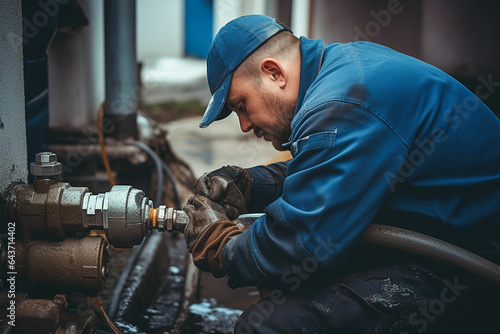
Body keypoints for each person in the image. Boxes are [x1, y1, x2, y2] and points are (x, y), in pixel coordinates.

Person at [182, 14, 500, 333]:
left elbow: (298, 247)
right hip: (448, 237)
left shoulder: (342, 102)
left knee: (265, 325)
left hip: (472, 268)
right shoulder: (342, 70)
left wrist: (223, 247)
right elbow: (328, 173)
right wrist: (250, 185)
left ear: (273, 72)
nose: (245, 125)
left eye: (241, 105)